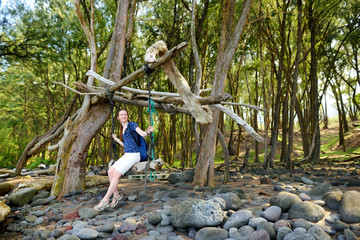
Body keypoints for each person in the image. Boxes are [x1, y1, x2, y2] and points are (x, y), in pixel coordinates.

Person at [94, 108, 154, 211]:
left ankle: (105, 200)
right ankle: (116, 194)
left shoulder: (132, 125)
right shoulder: (123, 129)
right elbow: (126, 145)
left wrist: (148, 131)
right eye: (121, 115)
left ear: (127, 116)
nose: (123, 116)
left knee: (116, 174)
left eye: (125, 114)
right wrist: (116, 139)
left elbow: (142, 134)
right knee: (110, 171)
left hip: (135, 155)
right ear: (118, 117)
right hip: (127, 154)